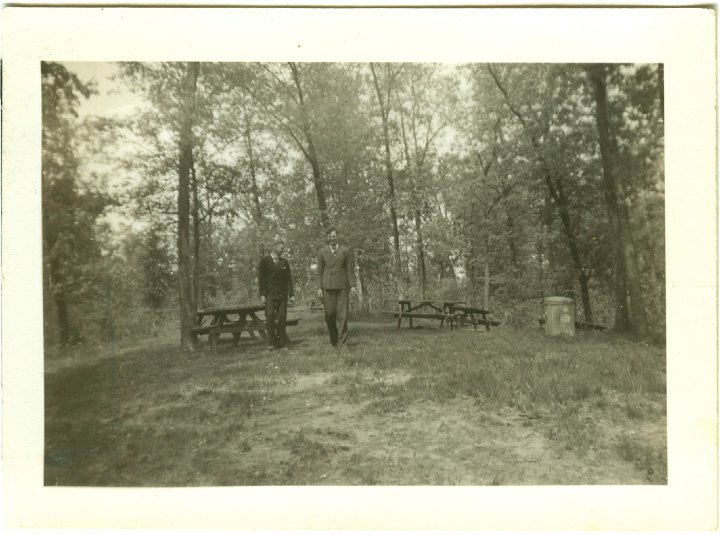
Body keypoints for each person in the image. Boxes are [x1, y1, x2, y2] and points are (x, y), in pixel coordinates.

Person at [316, 228, 356, 348]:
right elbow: (319, 272)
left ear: (337, 236)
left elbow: (349, 269)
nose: (332, 239)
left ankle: (342, 342)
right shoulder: (322, 251)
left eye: (334, 236)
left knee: (343, 314)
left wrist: (352, 285)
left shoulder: (345, 250)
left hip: (342, 285)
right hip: (327, 286)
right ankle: (334, 340)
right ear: (327, 238)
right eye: (330, 237)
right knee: (329, 314)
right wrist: (319, 287)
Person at [258, 239, 294, 350]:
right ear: (275, 248)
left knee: (282, 318)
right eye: (281, 248)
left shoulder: (284, 262)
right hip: (269, 294)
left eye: (283, 248)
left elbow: (288, 279)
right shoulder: (264, 261)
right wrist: (262, 294)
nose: (283, 250)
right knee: (270, 316)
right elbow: (261, 279)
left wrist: (291, 295)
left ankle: (282, 344)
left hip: (282, 295)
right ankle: (271, 343)